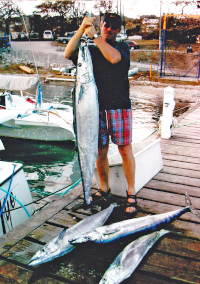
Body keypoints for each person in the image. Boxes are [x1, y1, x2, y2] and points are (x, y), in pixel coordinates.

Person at [64, 13, 137, 213]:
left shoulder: (122, 48)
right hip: (96, 109)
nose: (110, 30)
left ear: (119, 30)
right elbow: (67, 53)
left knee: (125, 150)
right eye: (107, 26)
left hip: (120, 107)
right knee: (100, 151)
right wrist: (81, 29)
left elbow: (114, 58)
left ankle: (131, 192)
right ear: (102, 25)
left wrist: (95, 36)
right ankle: (103, 188)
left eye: (114, 27)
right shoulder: (92, 51)